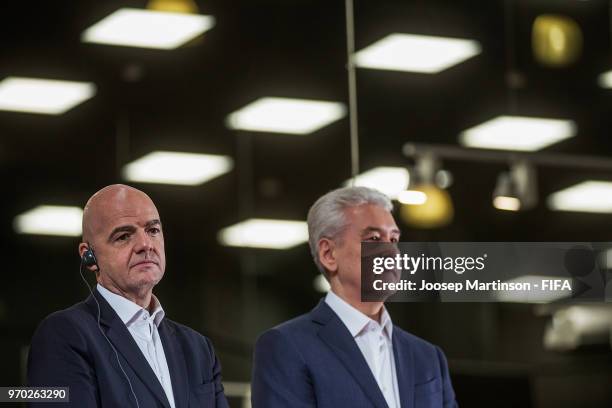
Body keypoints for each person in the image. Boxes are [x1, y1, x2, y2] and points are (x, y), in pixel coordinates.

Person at [252, 186, 458, 408]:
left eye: (394, 239)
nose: (392, 253)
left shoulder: (428, 357)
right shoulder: (286, 347)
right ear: (329, 254)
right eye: (374, 238)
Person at [28, 184, 228, 408]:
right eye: (124, 236)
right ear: (89, 257)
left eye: (153, 230)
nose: (145, 245)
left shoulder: (198, 349)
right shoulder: (63, 334)